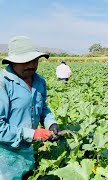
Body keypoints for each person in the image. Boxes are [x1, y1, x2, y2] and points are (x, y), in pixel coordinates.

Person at [0, 36, 60, 178]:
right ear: (12, 62)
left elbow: (42, 107)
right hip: (3, 155)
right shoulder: (3, 83)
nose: (31, 65)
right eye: (25, 61)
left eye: (34, 60)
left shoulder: (39, 81)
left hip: (26, 151)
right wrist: (32, 134)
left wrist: (51, 123)